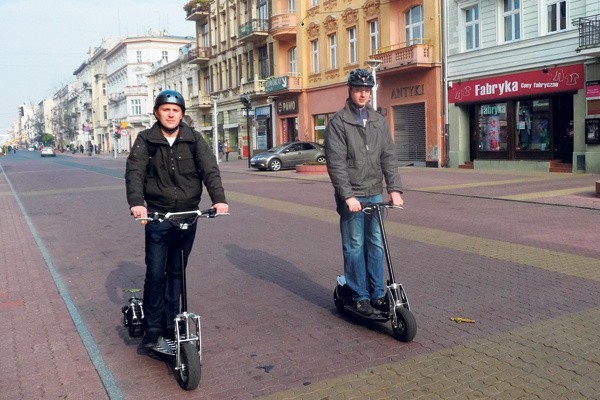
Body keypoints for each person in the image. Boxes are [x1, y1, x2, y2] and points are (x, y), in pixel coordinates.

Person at [125, 89, 229, 348]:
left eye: (176, 110)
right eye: (166, 109)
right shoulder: (145, 140)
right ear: (157, 112)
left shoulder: (194, 139)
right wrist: (137, 204)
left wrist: (219, 199)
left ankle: (172, 325)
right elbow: (134, 173)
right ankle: (152, 330)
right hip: (158, 216)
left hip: (187, 216)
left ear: (182, 114)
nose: (171, 114)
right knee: (156, 273)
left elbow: (210, 170)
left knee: (176, 273)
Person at [324, 68, 404, 317]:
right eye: (358, 89)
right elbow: (335, 163)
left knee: (376, 245)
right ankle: (359, 295)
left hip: (375, 192)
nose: (363, 94)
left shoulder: (379, 121)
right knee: (355, 246)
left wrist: (394, 189)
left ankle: (378, 294)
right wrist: (347, 196)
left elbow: (388, 156)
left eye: (366, 90)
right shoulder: (339, 122)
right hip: (353, 196)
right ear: (350, 91)